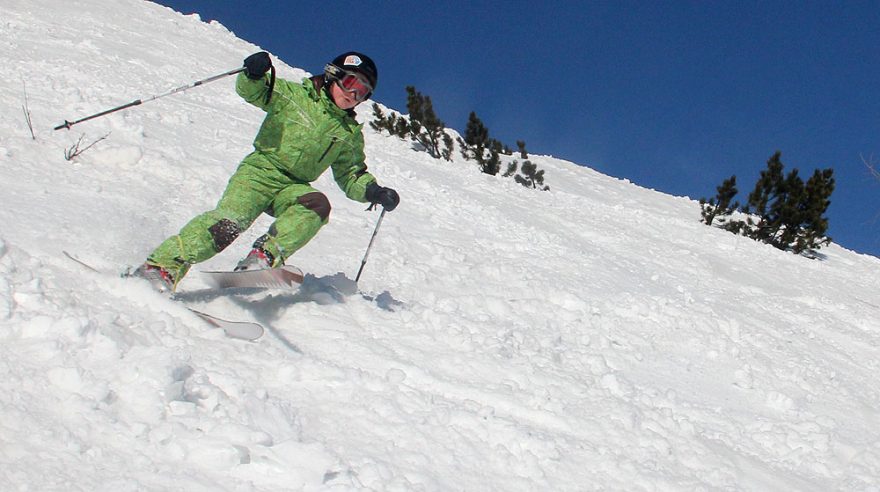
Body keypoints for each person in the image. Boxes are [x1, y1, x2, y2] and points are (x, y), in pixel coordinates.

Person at [133, 51, 399, 292]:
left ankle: (262, 259)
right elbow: (255, 92)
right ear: (334, 75)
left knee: (316, 206)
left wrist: (373, 191)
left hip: (292, 186)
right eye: (352, 83)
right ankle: (160, 268)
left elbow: (351, 174)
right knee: (228, 224)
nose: (354, 95)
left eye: (363, 92)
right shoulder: (294, 96)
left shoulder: (348, 133)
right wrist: (255, 73)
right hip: (260, 172)